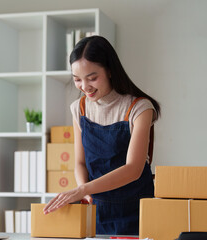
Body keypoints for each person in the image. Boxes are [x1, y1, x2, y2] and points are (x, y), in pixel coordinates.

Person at [43, 35, 160, 235]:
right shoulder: (78, 108)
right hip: (95, 210)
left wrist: (82, 190)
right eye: (77, 80)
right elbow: (80, 163)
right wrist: (85, 192)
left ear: (110, 71)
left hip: (136, 211)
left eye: (92, 78)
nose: (85, 87)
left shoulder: (139, 108)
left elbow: (133, 169)